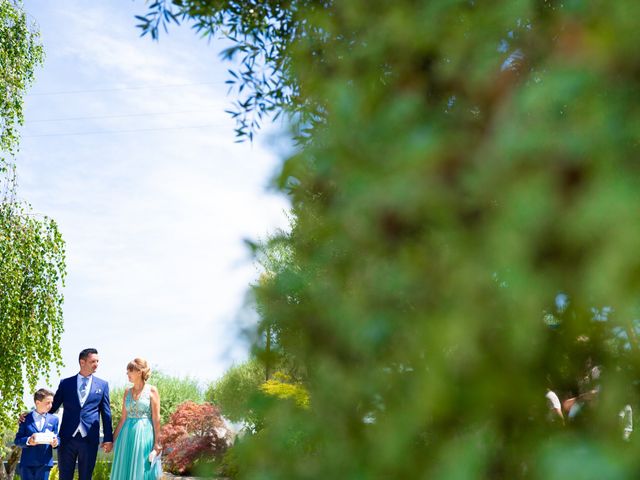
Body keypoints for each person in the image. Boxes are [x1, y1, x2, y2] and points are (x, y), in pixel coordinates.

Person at [50, 348, 113, 480]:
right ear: (82, 362)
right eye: (93, 361)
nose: (96, 364)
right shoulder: (65, 383)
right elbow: (52, 407)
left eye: (97, 361)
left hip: (90, 439)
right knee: (65, 477)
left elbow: (106, 413)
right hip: (67, 438)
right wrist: (31, 416)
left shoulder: (103, 385)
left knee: (86, 477)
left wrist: (108, 438)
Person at [109, 358, 162, 480]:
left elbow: (156, 418)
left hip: (144, 434)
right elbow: (123, 418)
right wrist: (111, 439)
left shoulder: (152, 390)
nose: (127, 374)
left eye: (130, 371)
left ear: (139, 372)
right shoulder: (127, 391)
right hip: (126, 435)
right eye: (127, 371)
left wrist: (157, 444)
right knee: (125, 469)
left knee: (141, 469)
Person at [14, 388, 60, 480]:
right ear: (38, 403)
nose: (51, 405)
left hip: (45, 464)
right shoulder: (25, 418)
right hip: (27, 463)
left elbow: (57, 437)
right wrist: (28, 441)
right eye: (48, 402)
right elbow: (17, 440)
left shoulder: (54, 419)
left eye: (52, 402)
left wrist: (56, 442)